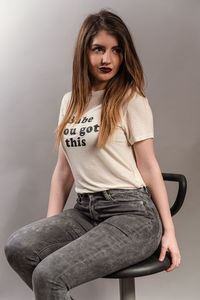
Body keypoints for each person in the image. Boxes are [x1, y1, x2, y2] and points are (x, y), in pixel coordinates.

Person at [4, 9, 181, 300]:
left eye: (116, 50)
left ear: (124, 55)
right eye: (98, 49)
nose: (106, 59)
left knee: (48, 276)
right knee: (18, 248)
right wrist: (50, 225)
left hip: (133, 216)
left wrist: (169, 232)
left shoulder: (130, 98)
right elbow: (63, 172)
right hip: (86, 211)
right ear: (84, 52)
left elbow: (148, 166)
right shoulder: (70, 102)